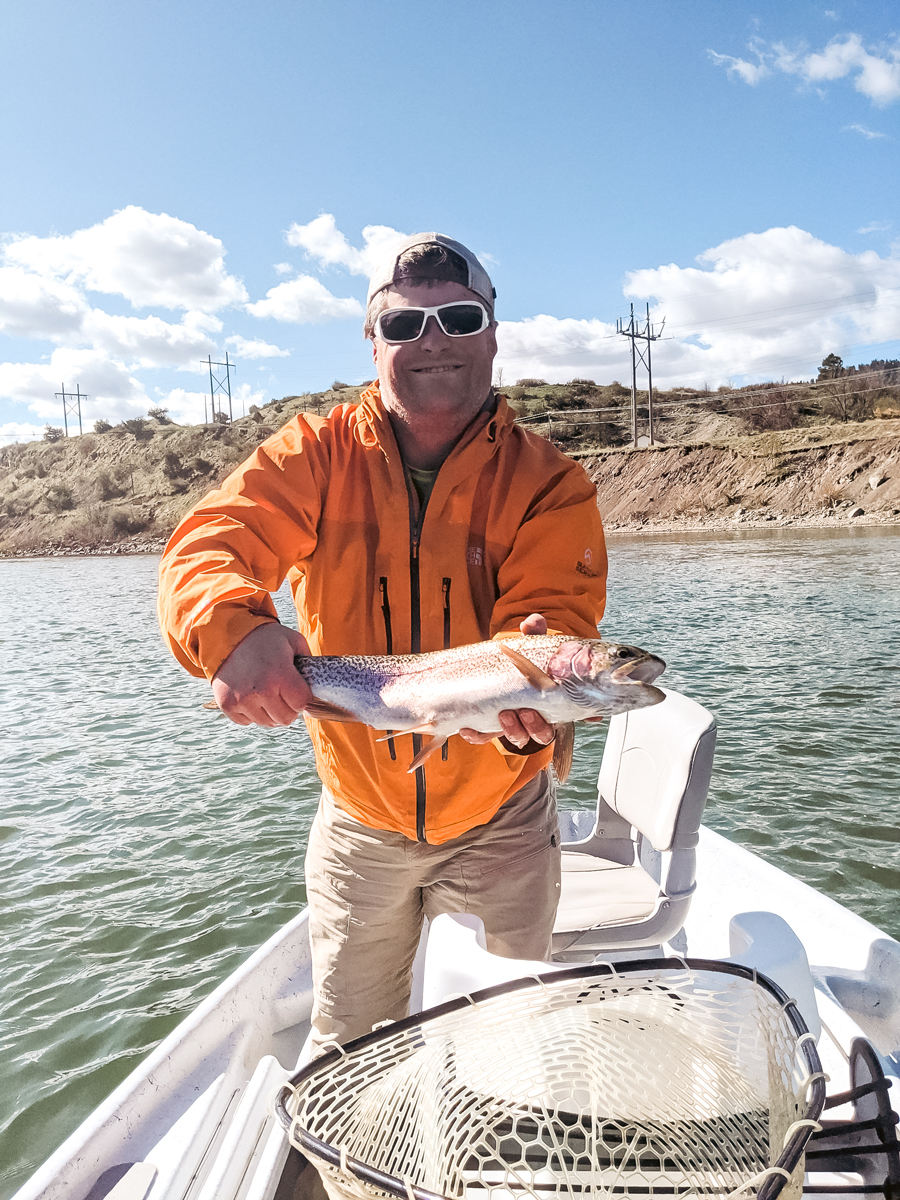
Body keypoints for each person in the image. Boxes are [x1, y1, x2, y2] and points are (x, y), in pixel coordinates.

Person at [157, 233, 607, 1053]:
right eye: (404, 326)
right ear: (374, 344)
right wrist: (233, 630)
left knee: (507, 1045)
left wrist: (538, 664)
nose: (432, 340)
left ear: (493, 333)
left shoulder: (551, 482)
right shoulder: (313, 455)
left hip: (504, 821)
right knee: (349, 1049)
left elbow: (552, 615)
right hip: (359, 823)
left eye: (458, 317)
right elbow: (208, 544)